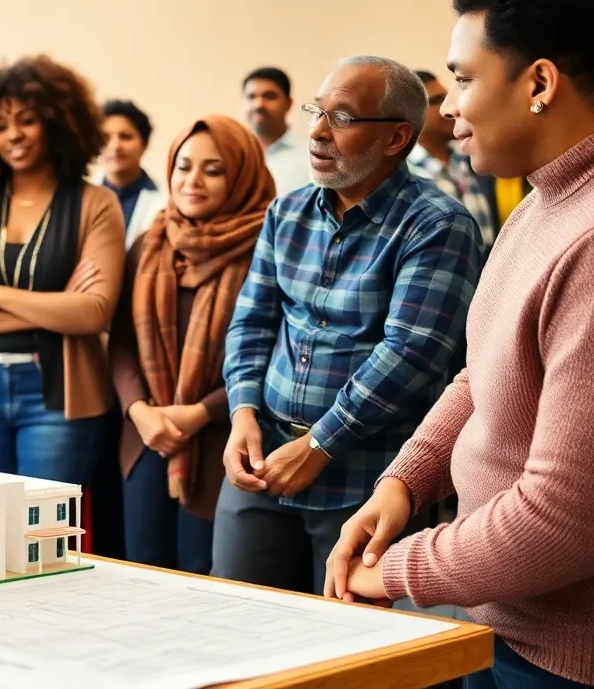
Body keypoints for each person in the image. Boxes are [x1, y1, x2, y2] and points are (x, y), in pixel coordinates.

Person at [327, 0, 594, 689]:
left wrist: (397, 571)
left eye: (463, 79)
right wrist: (403, 484)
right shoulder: (549, 200)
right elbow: (486, 373)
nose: (445, 108)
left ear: (539, 83)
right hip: (500, 618)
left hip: (570, 658)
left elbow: (566, 522)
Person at [215, 55, 482, 596]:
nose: (316, 131)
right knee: (236, 626)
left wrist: (319, 445)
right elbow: (252, 319)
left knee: (347, 653)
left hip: (363, 481)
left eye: (341, 118)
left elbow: (411, 354)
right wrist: (242, 411)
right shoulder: (285, 212)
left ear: (394, 138)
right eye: (318, 111)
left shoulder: (437, 224)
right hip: (261, 462)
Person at [0, 55, 125, 486]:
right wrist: (57, 308)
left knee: (43, 537)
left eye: (27, 120)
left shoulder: (96, 203)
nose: (13, 135)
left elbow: (94, 313)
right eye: (0, 126)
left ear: (57, 122)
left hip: (58, 398)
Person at [109, 114, 275, 574]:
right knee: (142, 567)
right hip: (146, 433)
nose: (192, 181)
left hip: (226, 435)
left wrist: (200, 413)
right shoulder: (150, 243)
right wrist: (139, 411)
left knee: (206, 571)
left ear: (242, 175)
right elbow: (119, 341)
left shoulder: (267, 245)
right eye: (183, 166)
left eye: (213, 169)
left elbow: (270, 350)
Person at [408, 70, 496, 250]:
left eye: (446, 97)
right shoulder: (402, 175)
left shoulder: (471, 160)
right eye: (436, 100)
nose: (450, 108)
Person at [100, 99, 166, 248]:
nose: (115, 146)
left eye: (125, 137)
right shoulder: (81, 198)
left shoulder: (166, 200)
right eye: (105, 138)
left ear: (144, 143)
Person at [242, 67, 311, 195]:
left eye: (269, 96)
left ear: (288, 103)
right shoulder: (235, 157)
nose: (258, 104)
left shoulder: (312, 156)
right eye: (251, 97)